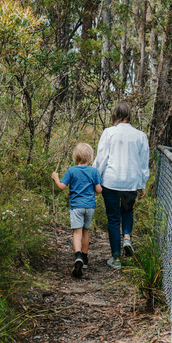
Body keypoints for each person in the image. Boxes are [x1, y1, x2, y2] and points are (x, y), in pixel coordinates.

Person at [93, 102, 149, 269]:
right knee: (127, 210)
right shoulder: (141, 136)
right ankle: (127, 238)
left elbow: (101, 158)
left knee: (113, 218)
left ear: (115, 114)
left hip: (111, 181)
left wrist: (95, 179)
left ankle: (116, 259)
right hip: (131, 182)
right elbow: (143, 163)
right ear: (129, 115)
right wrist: (142, 184)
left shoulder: (109, 132)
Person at [51, 142, 102, 278]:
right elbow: (98, 190)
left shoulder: (71, 170)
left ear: (76, 157)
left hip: (76, 206)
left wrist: (56, 178)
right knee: (86, 230)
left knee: (77, 232)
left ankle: (78, 255)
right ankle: (84, 259)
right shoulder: (94, 171)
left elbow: (62, 186)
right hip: (90, 206)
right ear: (91, 158)